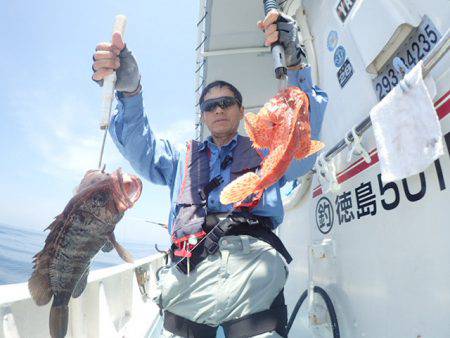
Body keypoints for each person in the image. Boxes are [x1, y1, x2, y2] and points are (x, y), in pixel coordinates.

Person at [92, 9, 327, 338]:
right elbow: (139, 147)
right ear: (202, 115)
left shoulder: (269, 153)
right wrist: (130, 93)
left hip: (253, 268)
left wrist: (296, 65)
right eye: (209, 105)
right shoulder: (179, 159)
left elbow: (302, 141)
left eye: (227, 102)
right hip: (189, 268)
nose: (218, 109)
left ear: (241, 111)